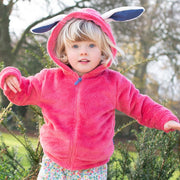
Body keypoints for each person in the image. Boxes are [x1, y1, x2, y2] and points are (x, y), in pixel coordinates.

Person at [0, 7, 180, 180]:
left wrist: (164, 118)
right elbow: (22, 93)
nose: (84, 51)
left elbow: (140, 105)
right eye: (76, 46)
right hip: (54, 164)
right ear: (64, 50)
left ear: (103, 49)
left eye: (91, 45)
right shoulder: (49, 79)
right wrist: (10, 76)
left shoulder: (114, 83)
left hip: (92, 168)